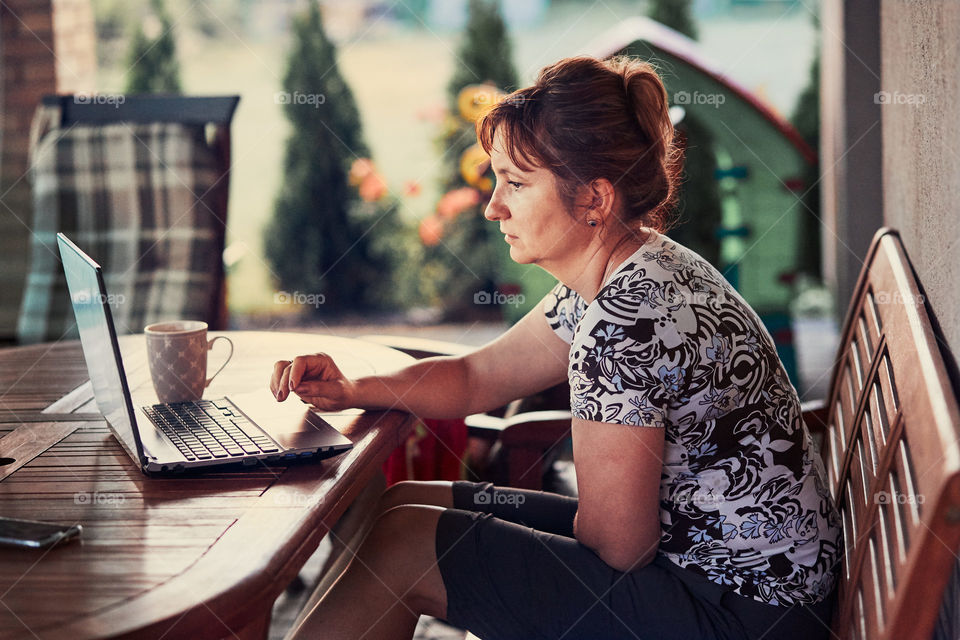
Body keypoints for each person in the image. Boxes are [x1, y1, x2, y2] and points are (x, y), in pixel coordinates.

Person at [270, 55, 841, 640]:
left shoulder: (622, 324)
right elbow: (478, 376)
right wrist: (354, 388)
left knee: (406, 547)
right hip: (726, 576)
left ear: (594, 200)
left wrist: (504, 573)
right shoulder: (633, 267)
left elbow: (620, 547)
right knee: (404, 507)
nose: (494, 206)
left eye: (516, 183)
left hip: (736, 612)